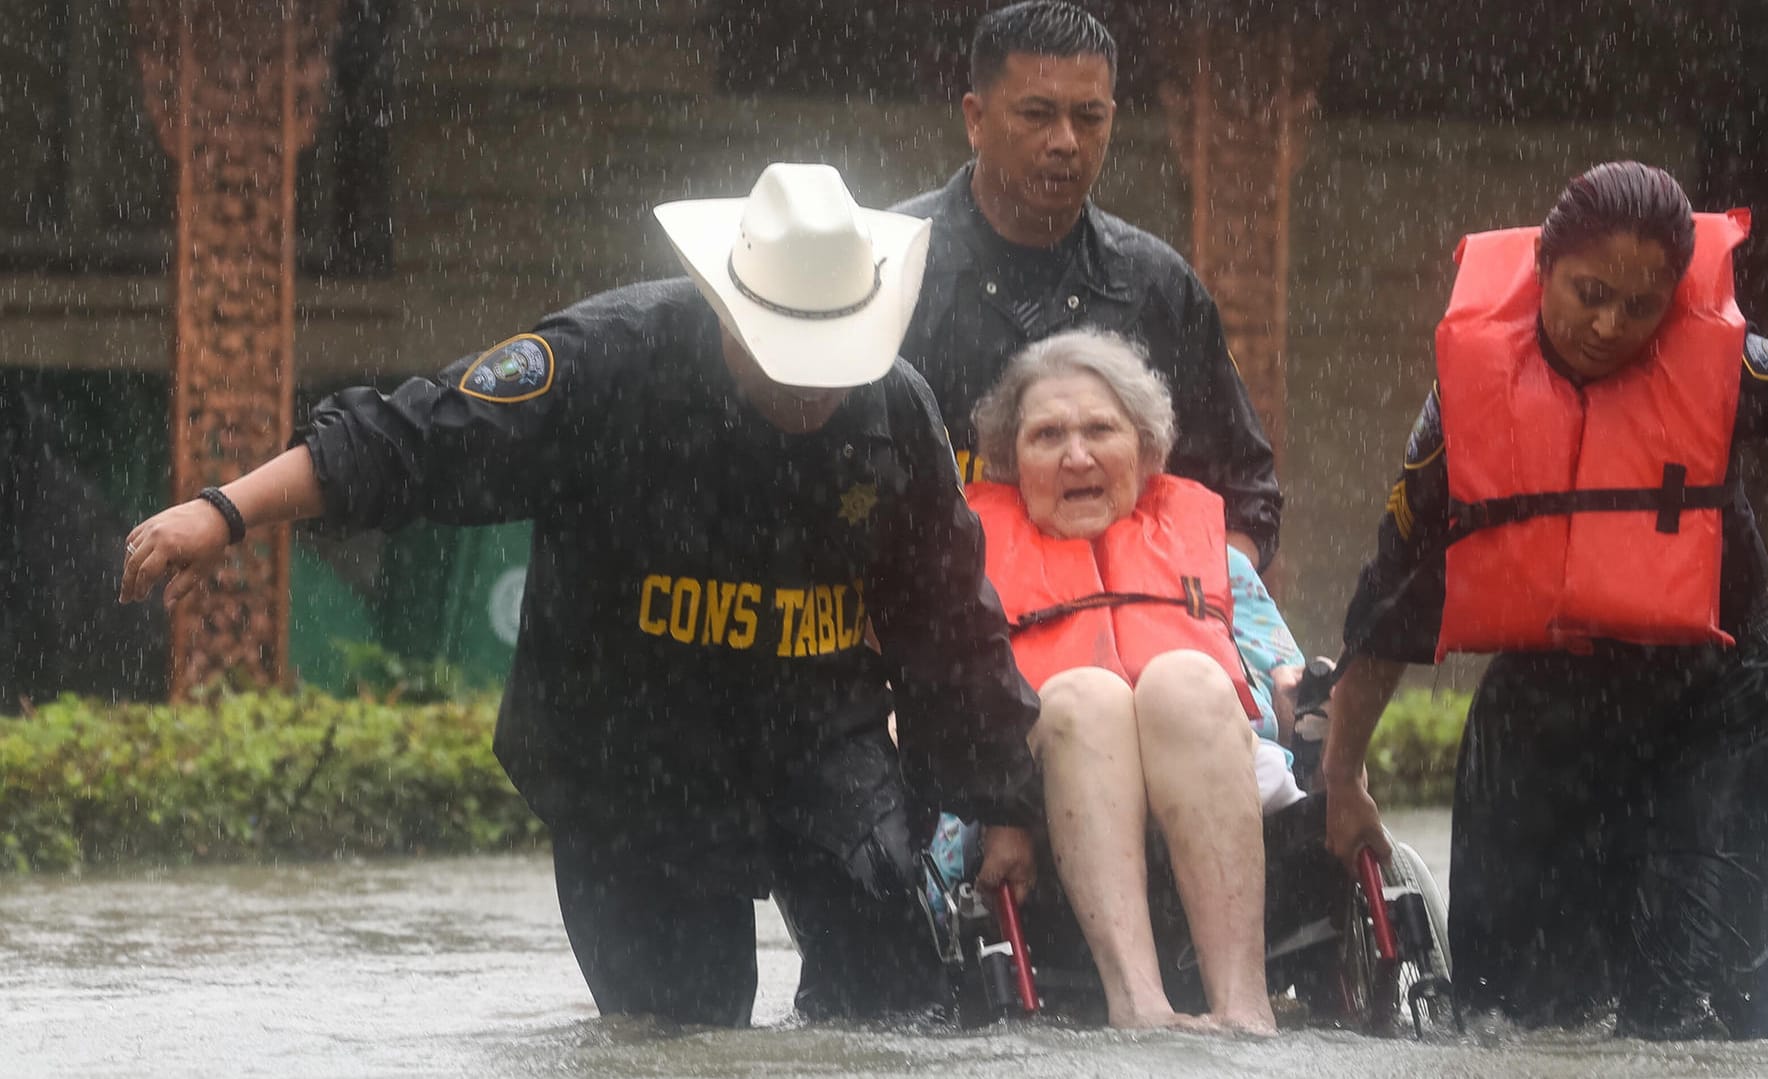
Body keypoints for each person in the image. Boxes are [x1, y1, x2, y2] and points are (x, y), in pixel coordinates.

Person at [117, 163, 1044, 1028]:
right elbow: (413, 436)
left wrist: (1000, 799)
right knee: (682, 1028)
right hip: (630, 750)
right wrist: (224, 513)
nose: (812, 389)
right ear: (727, 309)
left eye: (830, 362)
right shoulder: (603, 364)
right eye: (786, 357)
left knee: (899, 1006)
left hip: (822, 742)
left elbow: (952, 622)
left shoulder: (897, 406)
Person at [1321, 160, 1768, 1040]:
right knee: (1512, 1025)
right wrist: (1342, 775)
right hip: (1548, 722)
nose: (1609, 324)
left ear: (1674, 298)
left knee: (1693, 1024)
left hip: (1729, 711)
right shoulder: (1464, 407)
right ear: (1543, 269)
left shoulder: (1729, 360)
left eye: (1640, 306)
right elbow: (1389, 595)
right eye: (1589, 292)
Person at [960, 328, 1307, 1032]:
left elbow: (1285, 677)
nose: (1076, 455)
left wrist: (1312, 691)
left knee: (1183, 678)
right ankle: (1139, 1004)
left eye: (1100, 430)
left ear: (1147, 450)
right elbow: (940, 708)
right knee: (1088, 695)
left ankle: (1244, 1005)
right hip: (1039, 783)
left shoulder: (1217, 558)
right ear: (1008, 460)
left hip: (1210, 757)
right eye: (1047, 434)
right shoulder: (970, 577)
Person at [892, 0, 1284, 571]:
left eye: (1089, 116)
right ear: (975, 118)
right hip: (934, 638)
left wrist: (1193, 614)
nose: (1066, 141)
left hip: (1126, 644)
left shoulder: (1157, 286)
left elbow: (1247, 494)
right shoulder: (894, 268)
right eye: (1037, 114)